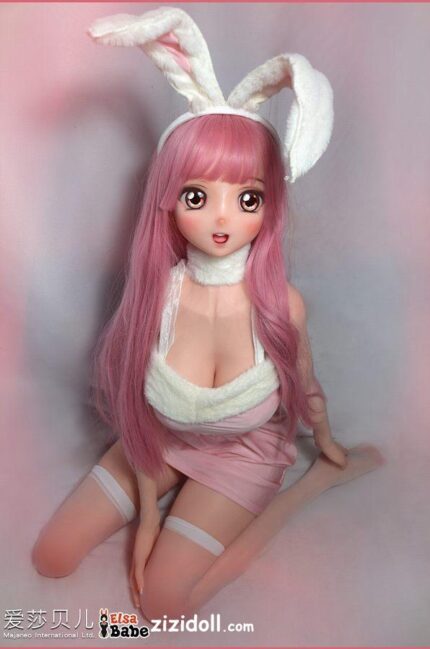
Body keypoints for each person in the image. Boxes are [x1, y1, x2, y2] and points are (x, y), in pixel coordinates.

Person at [32, 6, 384, 621]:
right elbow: (140, 411)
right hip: (160, 444)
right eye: (198, 195)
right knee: (51, 557)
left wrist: (326, 446)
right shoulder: (158, 297)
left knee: (163, 606)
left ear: (270, 205)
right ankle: (167, 507)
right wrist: (147, 517)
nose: (223, 217)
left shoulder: (281, 305)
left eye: (248, 198)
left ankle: (306, 489)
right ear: (169, 200)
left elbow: (307, 387)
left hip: (242, 456)